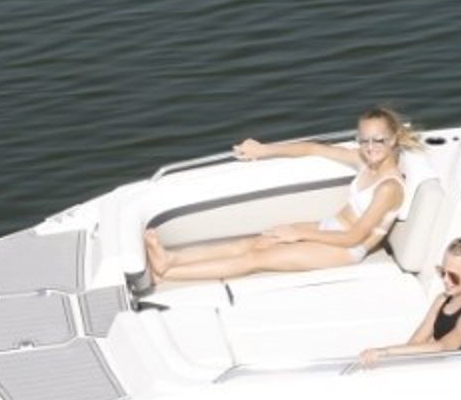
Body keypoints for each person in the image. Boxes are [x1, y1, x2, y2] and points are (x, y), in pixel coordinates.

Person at [144, 106, 419, 284]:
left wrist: (298, 234)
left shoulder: (389, 188)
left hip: (345, 250)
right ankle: (171, 258)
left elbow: (353, 238)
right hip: (330, 228)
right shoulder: (366, 161)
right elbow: (314, 148)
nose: (370, 147)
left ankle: (167, 274)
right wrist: (264, 150)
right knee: (254, 242)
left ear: (393, 139)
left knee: (256, 259)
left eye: (378, 140)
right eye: (364, 139)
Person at [359, 236, 461, 364]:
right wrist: (389, 359)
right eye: (442, 272)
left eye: (453, 276)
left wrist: (385, 352)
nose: (445, 280)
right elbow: (417, 341)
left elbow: (442, 347)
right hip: (438, 367)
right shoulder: (442, 299)